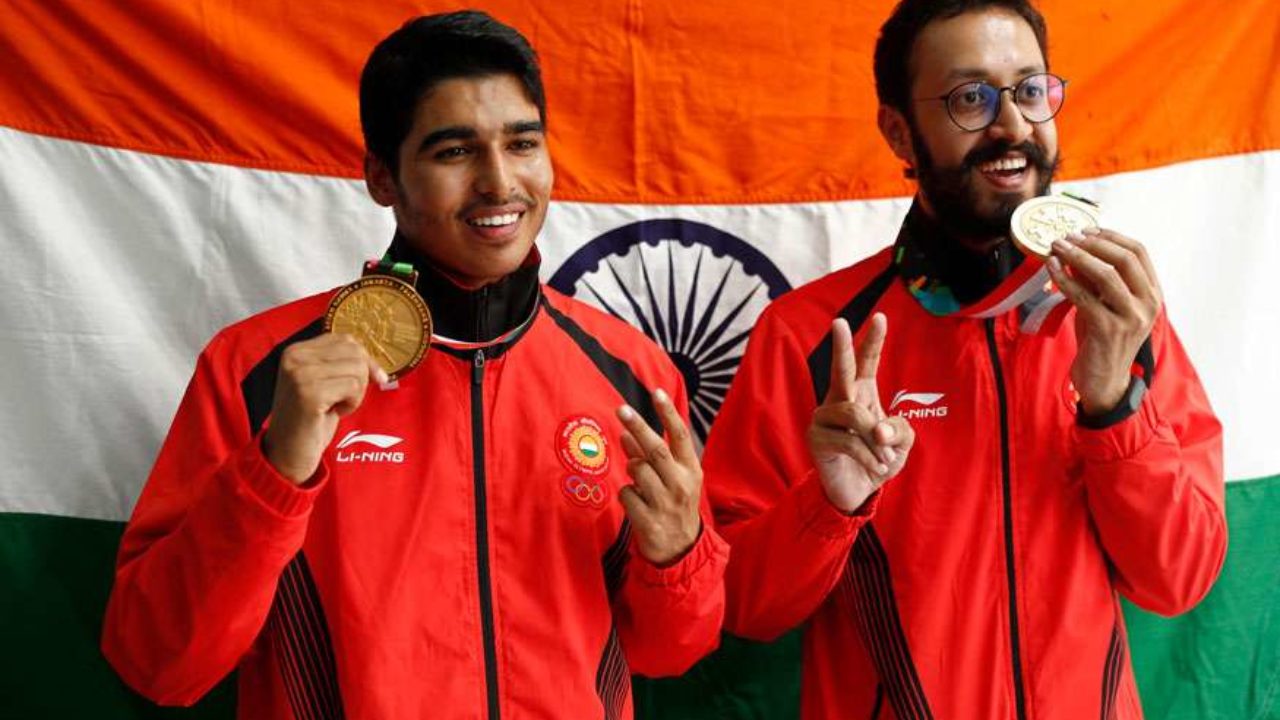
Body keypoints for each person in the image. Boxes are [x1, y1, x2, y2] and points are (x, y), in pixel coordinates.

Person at [102, 11, 726, 719]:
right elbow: (158, 663)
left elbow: (671, 652)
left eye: (522, 143)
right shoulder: (259, 369)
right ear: (382, 178)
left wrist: (678, 555)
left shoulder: (631, 374)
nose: (499, 183)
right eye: (454, 152)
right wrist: (275, 470)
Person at [703, 1, 1225, 718]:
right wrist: (830, 505)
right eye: (970, 98)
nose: (1012, 126)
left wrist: (1112, 408)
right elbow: (740, 606)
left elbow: (1180, 579)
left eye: (1031, 89)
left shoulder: (1117, 310)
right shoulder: (815, 335)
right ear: (899, 132)